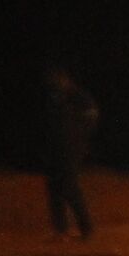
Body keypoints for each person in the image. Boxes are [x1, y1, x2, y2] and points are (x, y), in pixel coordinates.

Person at [41, 64, 99, 239]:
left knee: (69, 186)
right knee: (53, 186)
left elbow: (91, 116)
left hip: (71, 149)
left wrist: (80, 136)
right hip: (56, 148)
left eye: (57, 78)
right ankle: (61, 229)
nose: (54, 82)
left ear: (65, 79)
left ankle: (86, 228)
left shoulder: (77, 96)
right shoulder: (54, 97)